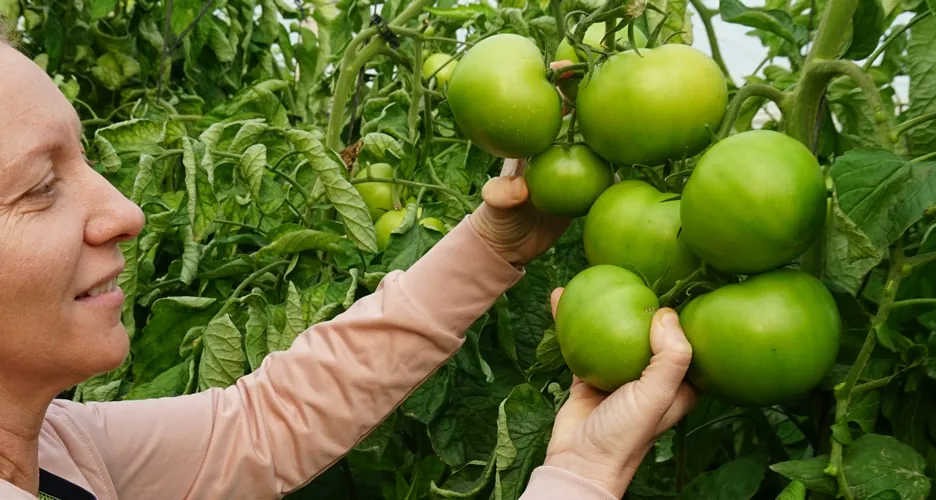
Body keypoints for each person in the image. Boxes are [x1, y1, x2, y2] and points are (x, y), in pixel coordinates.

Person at [0, 32, 698, 500]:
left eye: (85, 158)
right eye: (40, 186)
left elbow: (262, 426)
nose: (125, 211)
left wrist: (492, 246)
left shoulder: (57, 453)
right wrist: (580, 475)